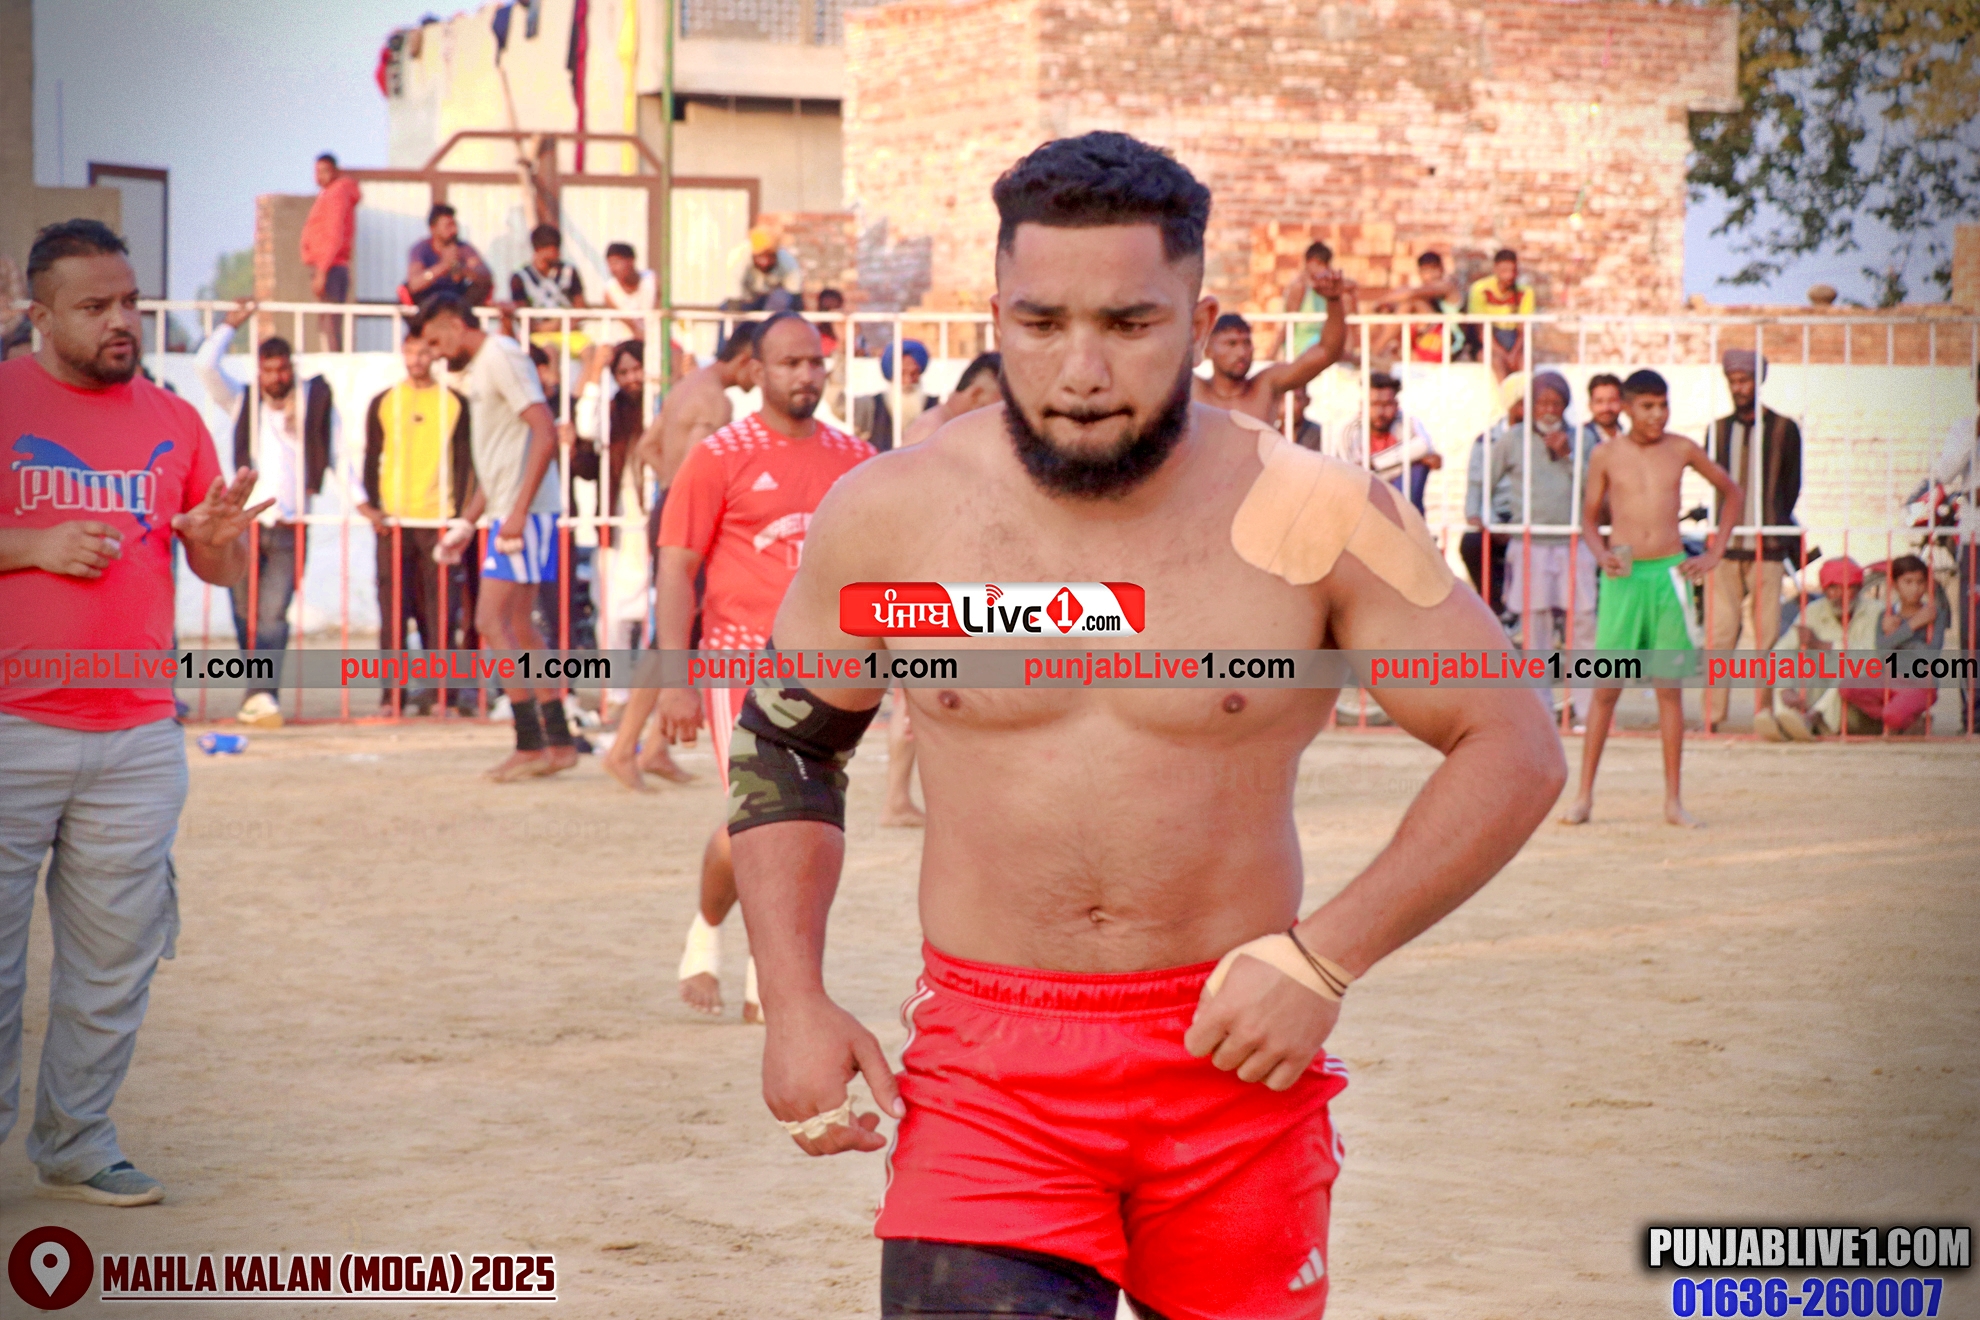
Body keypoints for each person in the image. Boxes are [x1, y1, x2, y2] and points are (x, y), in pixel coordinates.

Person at [728, 131, 1562, 1320]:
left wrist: (1326, 957)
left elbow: (1513, 740)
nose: (1081, 370)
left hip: (1236, 1064)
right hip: (990, 1080)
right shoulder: (894, 518)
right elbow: (790, 741)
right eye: (1040, 323)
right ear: (998, 315)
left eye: (1129, 324)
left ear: (1198, 320)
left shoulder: (1316, 514)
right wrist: (793, 996)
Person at [1, 219, 272, 1207]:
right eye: (95, 306)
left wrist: (216, 539)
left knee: (115, 961)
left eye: (131, 303)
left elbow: (216, 564)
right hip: (11, 726)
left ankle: (77, 1142)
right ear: (39, 316)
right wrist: (31, 546)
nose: (121, 321)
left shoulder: (175, 418)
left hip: (138, 735)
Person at [656, 312, 875, 1023]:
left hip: (832, 668)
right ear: (756, 371)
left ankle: (768, 974)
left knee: (808, 828)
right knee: (753, 820)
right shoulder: (718, 457)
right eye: (790, 363)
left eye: (815, 361)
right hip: (737, 665)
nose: (806, 375)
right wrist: (674, 680)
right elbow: (676, 569)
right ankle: (713, 936)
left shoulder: (857, 459)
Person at [1564, 369, 1742, 828]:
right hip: (1624, 574)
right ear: (1626, 408)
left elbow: (1732, 492)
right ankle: (1583, 797)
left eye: (1663, 405)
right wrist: (1601, 553)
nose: (1657, 415)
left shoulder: (1681, 449)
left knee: (1668, 689)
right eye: (1647, 406)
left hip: (1669, 573)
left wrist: (1714, 553)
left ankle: (1673, 801)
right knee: (1606, 689)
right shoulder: (1605, 454)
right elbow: (1588, 520)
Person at [416, 296, 578, 781]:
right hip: (512, 512)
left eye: (435, 341)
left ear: (454, 323)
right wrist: (468, 523)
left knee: (491, 620)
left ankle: (531, 742)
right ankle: (559, 742)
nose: (434, 354)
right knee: (520, 627)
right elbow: (502, 458)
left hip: (522, 514)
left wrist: (519, 512)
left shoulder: (500, 357)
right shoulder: (488, 362)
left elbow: (545, 431)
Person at [604, 328, 760, 792]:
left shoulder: (687, 388)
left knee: (686, 633)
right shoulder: (716, 402)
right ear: (747, 359)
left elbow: (649, 447)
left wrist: (672, 486)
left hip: (672, 508)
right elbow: (701, 466)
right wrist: (690, 496)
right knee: (673, 634)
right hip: (690, 519)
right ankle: (623, 748)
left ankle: (655, 747)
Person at [194, 298, 339, 729]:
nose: (276, 377)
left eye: (282, 369)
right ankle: (256, 690)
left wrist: (362, 501)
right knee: (243, 612)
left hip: (291, 526)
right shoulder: (242, 400)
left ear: (291, 368)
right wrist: (230, 326)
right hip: (243, 527)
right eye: (268, 370)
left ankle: (263, 694)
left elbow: (338, 454)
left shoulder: (312, 401)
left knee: (274, 614)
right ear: (258, 371)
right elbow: (205, 367)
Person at [357, 332, 475, 713]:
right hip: (395, 522)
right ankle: (392, 697)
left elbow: (464, 462)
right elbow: (371, 457)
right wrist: (372, 508)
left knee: (441, 613)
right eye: (411, 351)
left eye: (424, 351)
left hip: (438, 518)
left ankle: (444, 697)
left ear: (435, 354)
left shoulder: (454, 403)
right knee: (392, 612)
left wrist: (459, 518)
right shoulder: (385, 401)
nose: (418, 359)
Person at [1487, 371, 1599, 725]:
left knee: (1583, 625)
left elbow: (1594, 488)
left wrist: (1567, 455)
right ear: (1530, 405)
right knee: (1536, 631)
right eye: (1542, 402)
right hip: (1531, 543)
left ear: (1566, 405)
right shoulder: (1513, 439)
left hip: (1574, 542)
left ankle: (1588, 711)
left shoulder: (1582, 438)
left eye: (1556, 402)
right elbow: (1485, 478)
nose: (1549, 410)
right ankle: (1540, 713)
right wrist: (1482, 516)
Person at [1702, 348, 1803, 731]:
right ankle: (1712, 716)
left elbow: (1791, 486)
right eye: (1733, 381)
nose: (1739, 387)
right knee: (1719, 634)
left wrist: (1772, 522)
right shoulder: (1717, 430)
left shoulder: (1784, 429)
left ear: (1758, 381)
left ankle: (1765, 713)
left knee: (1767, 636)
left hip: (1768, 548)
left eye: (1744, 380)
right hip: (1725, 548)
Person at [1760, 557, 1878, 742]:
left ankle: (1810, 719)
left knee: (1853, 667)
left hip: (1856, 704)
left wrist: (1821, 645)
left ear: (1858, 589)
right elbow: (1781, 651)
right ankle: (1786, 720)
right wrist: (1784, 688)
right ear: (1824, 590)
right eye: (1834, 588)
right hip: (1821, 690)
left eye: (1848, 588)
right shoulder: (1813, 611)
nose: (1841, 595)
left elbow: (1871, 659)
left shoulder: (1876, 612)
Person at [1192, 291, 1348, 426]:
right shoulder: (1194, 389)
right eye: (1231, 343)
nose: (1242, 352)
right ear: (1208, 350)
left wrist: (1333, 299)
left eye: (1247, 343)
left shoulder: (1265, 386)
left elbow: (1327, 352)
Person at [1840, 554, 1946, 735]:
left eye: (1920, 582)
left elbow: (1930, 655)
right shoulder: (1887, 615)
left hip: (1919, 683)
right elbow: (1881, 651)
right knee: (1846, 687)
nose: (1915, 588)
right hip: (1889, 679)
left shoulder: (1934, 614)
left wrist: (1896, 637)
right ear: (1895, 585)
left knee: (1892, 715)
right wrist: (1912, 626)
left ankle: (1897, 718)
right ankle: (1911, 722)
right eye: (1908, 582)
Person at [1925, 369, 1978, 729]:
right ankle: (1973, 714)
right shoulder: (1965, 428)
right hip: (1976, 539)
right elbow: (1943, 473)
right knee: (1973, 631)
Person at [1462, 372, 1525, 619]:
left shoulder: (1541, 439)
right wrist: (1483, 521)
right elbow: (1476, 486)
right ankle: (1494, 611)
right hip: (1494, 517)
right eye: (1522, 402)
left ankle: (1521, 612)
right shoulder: (1486, 441)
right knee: (1472, 544)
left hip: (1530, 520)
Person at [1332, 371, 1441, 513]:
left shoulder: (1407, 424)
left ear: (1396, 405)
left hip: (1400, 497)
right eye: (1374, 404)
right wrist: (1408, 460)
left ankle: (1406, 521)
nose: (1380, 412)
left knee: (1417, 469)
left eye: (1387, 404)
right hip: (1362, 502)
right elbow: (1353, 477)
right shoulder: (1349, 432)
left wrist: (1373, 464)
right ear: (1362, 406)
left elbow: (1424, 447)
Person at [300, 152, 360, 352]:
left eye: (325, 171)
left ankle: (333, 362)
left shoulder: (337, 193)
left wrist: (322, 271)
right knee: (326, 320)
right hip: (327, 266)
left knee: (330, 322)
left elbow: (334, 235)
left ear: (336, 171)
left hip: (331, 267)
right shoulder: (328, 194)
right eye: (317, 171)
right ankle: (330, 356)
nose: (320, 176)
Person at [1371, 250, 1464, 364]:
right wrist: (1386, 306)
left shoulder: (1446, 286)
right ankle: (1385, 349)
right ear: (1420, 273)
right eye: (1426, 271)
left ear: (1442, 269)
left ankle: (1375, 350)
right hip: (1430, 339)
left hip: (1451, 343)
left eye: (1434, 270)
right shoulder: (1423, 293)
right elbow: (1406, 292)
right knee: (1399, 307)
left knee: (1411, 302)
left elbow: (1411, 292)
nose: (1431, 275)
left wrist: (1380, 301)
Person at [902, 351, 1003, 448]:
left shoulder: (948, 429)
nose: (1001, 416)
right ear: (976, 395)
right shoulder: (932, 433)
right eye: (997, 406)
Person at [1464, 248, 1534, 382]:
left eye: (1513, 271)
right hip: (1487, 343)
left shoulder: (1525, 292)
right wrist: (1504, 355)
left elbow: (1523, 329)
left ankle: (1525, 395)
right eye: (1504, 271)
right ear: (1495, 269)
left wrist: (1513, 354)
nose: (1509, 276)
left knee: (1525, 364)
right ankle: (1505, 395)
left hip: (1513, 342)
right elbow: (1481, 330)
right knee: (1497, 362)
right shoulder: (1480, 289)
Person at [404, 204, 493, 309]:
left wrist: (464, 270)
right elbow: (414, 284)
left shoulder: (463, 248)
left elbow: (485, 274)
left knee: (482, 285)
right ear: (433, 228)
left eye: (455, 225)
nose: (454, 230)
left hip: (458, 302)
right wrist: (444, 266)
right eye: (448, 226)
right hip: (430, 303)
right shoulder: (421, 249)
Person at [1279, 241, 1358, 358]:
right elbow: (1287, 324)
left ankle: (1348, 353)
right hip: (1303, 347)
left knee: (1346, 299)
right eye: (1317, 264)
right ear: (1308, 263)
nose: (1321, 269)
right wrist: (1272, 353)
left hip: (1325, 342)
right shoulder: (1299, 288)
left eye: (1324, 265)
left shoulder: (1326, 285)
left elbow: (1352, 285)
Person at [857, 339, 936, 452]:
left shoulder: (936, 406)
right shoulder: (871, 405)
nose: (908, 381)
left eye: (914, 373)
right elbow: (839, 403)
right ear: (891, 374)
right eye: (902, 373)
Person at [593, 242, 657, 350]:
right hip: (628, 344)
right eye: (610, 264)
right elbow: (633, 327)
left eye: (616, 263)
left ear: (631, 261)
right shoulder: (610, 292)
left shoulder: (653, 281)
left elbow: (660, 316)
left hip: (658, 339)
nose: (613, 269)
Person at [729, 227, 800, 314]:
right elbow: (734, 294)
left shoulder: (787, 262)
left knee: (781, 297)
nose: (765, 262)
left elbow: (794, 293)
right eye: (761, 257)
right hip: (747, 301)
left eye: (770, 256)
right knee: (728, 308)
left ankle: (771, 321)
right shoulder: (738, 258)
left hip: (773, 304)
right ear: (753, 253)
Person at [1583, 372, 1626, 445]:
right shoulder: (1579, 438)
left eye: (1612, 401)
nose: (1606, 408)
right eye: (1599, 401)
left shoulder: (1628, 437)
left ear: (1622, 403)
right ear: (1590, 405)